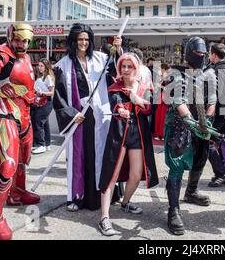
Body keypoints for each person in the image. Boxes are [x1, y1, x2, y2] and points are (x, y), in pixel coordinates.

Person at [0, 24, 40, 240]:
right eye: (18, 40)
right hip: (6, 114)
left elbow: (27, 85)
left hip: (25, 116)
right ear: (10, 37)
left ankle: (17, 193)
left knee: (24, 160)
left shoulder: (26, 58)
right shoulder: (4, 53)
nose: (22, 44)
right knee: (7, 166)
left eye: (26, 41)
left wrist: (35, 97)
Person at [53, 23, 120, 212]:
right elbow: (58, 96)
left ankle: (105, 194)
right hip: (79, 119)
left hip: (100, 116)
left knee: (101, 156)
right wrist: (72, 115)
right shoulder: (62, 65)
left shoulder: (102, 59)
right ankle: (78, 196)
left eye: (86, 39)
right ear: (73, 41)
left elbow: (115, 76)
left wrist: (118, 50)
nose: (83, 42)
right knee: (81, 157)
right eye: (80, 39)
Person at [98, 53, 159, 236]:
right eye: (123, 66)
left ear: (136, 68)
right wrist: (122, 108)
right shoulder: (115, 87)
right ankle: (104, 218)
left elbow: (149, 108)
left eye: (129, 66)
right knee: (111, 174)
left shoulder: (145, 86)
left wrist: (137, 99)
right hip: (119, 133)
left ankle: (125, 203)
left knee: (136, 173)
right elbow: (115, 104)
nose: (125, 70)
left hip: (138, 133)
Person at [163, 36, 216, 235]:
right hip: (180, 125)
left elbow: (212, 100)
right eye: (197, 54)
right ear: (189, 53)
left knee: (200, 160)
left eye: (203, 54)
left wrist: (206, 122)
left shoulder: (208, 75)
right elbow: (179, 101)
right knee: (177, 166)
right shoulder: (176, 74)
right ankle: (173, 210)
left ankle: (191, 191)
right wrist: (193, 123)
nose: (200, 57)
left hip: (201, 125)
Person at [206, 43, 225, 187]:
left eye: (210, 53)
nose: (209, 56)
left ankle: (221, 172)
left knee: (205, 142)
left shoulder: (215, 70)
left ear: (214, 55)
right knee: (223, 145)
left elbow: (213, 94)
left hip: (218, 113)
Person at [31, 59, 55, 154]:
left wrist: (42, 92)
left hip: (46, 102)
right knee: (45, 123)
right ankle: (47, 144)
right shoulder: (41, 76)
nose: (39, 67)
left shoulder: (48, 77)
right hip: (40, 101)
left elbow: (51, 92)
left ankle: (40, 144)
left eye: (41, 66)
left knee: (38, 121)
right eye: (39, 65)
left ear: (46, 66)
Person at [154, 63, 170, 140]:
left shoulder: (167, 76)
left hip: (164, 97)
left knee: (162, 115)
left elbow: (167, 88)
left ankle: (161, 134)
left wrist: (160, 85)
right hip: (161, 96)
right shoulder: (163, 76)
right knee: (159, 115)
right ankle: (160, 134)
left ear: (163, 69)